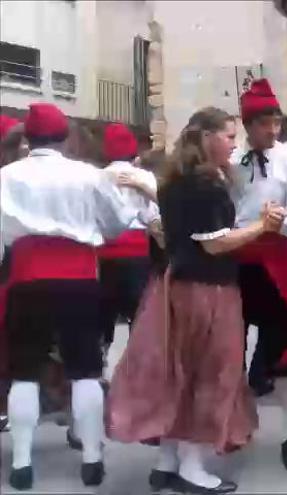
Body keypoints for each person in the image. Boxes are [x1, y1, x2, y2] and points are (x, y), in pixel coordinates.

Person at [107, 107, 270, 494]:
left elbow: (169, 235)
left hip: (176, 285)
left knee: (177, 371)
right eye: (229, 136)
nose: (234, 143)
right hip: (208, 290)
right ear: (208, 137)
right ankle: (191, 467)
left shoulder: (175, 181)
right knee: (209, 373)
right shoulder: (206, 186)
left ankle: (166, 462)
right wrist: (263, 226)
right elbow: (214, 244)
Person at [0, 103, 138, 490]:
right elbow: (117, 222)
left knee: (23, 372)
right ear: (64, 138)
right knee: (85, 370)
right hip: (78, 276)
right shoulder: (88, 176)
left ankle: (23, 464)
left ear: (28, 138)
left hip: (27, 277)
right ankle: (92, 458)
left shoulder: (6, 176)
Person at [229, 79, 287, 474]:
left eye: (275, 122)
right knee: (229, 351)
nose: (273, 130)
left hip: (276, 262)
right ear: (248, 124)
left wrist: (279, 223)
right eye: (264, 123)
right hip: (232, 263)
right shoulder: (231, 160)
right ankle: (232, 426)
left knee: (284, 352)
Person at [96, 123, 158, 349]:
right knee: (139, 314)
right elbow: (152, 215)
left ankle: (99, 362)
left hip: (105, 252)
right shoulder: (144, 177)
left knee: (104, 313)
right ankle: (137, 366)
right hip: (137, 253)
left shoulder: (99, 176)